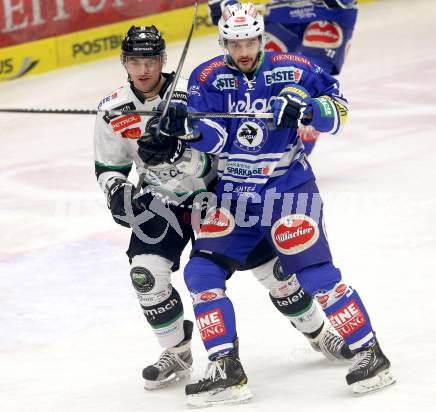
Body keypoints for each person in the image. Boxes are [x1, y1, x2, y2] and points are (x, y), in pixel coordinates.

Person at [93, 24, 352, 392]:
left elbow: (222, 145)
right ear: (124, 63)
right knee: (146, 275)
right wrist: (117, 191)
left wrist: (179, 150)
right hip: (159, 197)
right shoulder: (112, 109)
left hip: (214, 192)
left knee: (274, 272)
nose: (144, 70)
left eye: (150, 61)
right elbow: (110, 166)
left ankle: (317, 331)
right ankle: (176, 351)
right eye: (135, 62)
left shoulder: (192, 90)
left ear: (163, 60)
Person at [160, 2, 395, 407]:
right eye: (235, 44)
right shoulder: (208, 77)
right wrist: (188, 129)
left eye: (250, 40)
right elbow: (215, 137)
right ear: (224, 41)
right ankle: (225, 368)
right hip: (235, 200)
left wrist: (308, 110)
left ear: (261, 35)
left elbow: (338, 112)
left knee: (316, 274)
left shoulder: (296, 67)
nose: (244, 50)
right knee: (201, 271)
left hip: (289, 191)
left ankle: (370, 352)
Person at [208, 0, 358, 154]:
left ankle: (293, 159)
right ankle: (255, 148)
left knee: (311, 83)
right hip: (282, 13)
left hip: (328, 13)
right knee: (262, 74)